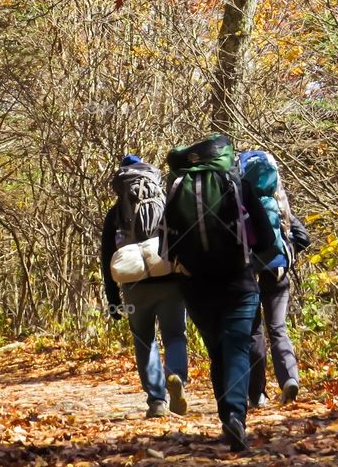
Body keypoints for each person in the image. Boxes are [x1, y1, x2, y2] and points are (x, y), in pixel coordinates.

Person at [163, 135, 277, 452]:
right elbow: (267, 239)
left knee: (218, 353)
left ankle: (227, 416)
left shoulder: (177, 188)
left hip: (195, 287)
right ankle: (235, 416)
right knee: (237, 349)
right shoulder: (238, 184)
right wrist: (249, 261)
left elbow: (166, 248)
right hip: (238, 282)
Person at [100, 155, 189, 418]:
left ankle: (156, 401)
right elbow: (183, 239)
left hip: (134, 285)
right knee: (175, 335)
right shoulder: (166, 202)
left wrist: (113, 299)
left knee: (144, 340)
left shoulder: (116, 213)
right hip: (170, 281)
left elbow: (107, 258)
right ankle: (176, 376)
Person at [241, 150, 300, 408]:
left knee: (254, 332)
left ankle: (257, 394)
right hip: (278, 269)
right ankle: (289, 378)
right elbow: (302, 235)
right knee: (278, 328)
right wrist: (289, 254)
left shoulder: (239, 200)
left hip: (248, 270)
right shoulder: (279, 200)